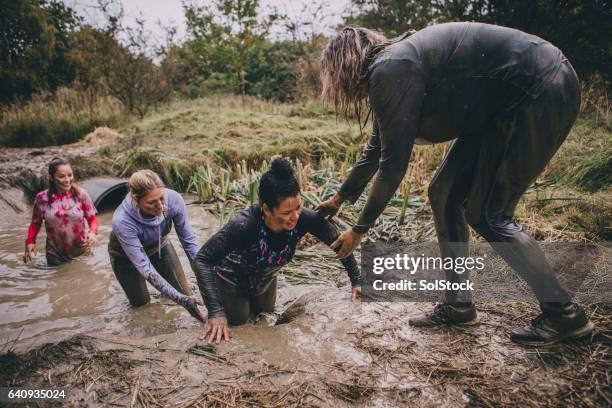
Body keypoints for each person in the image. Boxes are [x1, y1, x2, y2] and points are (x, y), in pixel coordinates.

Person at [316, 22, 594, 345]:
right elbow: (375, 150)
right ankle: (458, 305)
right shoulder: (391, 70)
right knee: (445, 194)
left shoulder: (390, 69)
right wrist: (338, 198)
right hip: (498, 107)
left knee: (490, 214)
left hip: (539, 87)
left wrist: (359, 230)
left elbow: (392, 168)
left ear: (344, 66)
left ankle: (564, 314)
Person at [193, 158, 362, 343]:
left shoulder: (304, 218)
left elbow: (338, 241)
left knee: (266, 318)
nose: (295, 216)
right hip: (231, 280)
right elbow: (202, 260)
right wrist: (215, 311)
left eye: (298, 207)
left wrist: (356, 281)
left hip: (265, 279)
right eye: (286, 213)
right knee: (240, 324)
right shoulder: (243, 225)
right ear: (266, 209)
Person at [108, 170, 205, 321]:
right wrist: (180, 300)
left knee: (186, 294)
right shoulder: (122, 221)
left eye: (161, 198)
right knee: (142, 306)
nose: (160, 206)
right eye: (152, 202)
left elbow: (189, 241)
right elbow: (145, 269)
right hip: (125, 259)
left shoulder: (173, 199)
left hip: (160, 247)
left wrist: (204, 273)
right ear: (135, 198)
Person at [24, 157, 99, 266]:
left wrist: (92, 233)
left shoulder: (81, 195)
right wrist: (30, 242)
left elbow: (92, 219)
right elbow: (35, 223)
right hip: (55, 255)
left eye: (70, 175)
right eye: (62, 176)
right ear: (51, 178)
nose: (68, 180)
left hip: (82, 252)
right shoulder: (42, 199)